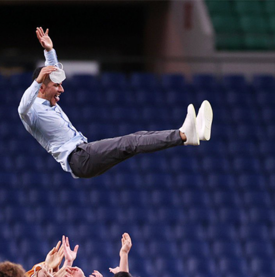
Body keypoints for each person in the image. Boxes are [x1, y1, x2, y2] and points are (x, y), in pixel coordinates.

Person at [18, 27, 214, 179]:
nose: (61, 89)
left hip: (84, 156)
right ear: (41, 88)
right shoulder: (32, 111)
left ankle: (190, 134)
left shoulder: (47, 97)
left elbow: (51, 75)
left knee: (136, 140)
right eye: (56, 86)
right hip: (80, 158)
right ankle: (184, 135)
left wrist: (50, 52)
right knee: (131, 142)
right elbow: (21, 108)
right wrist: (37, 80)